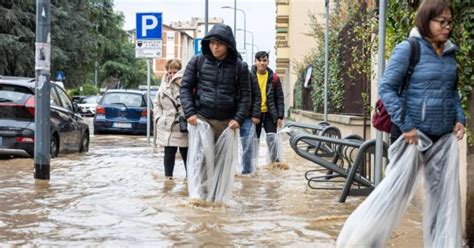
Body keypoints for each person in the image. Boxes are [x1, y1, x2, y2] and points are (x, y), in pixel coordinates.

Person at [180, 23, 251, 140]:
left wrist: (238, 119)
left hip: (227, 122)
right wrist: (190, 113)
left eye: (219, 44)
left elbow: (245, 95)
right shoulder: (198, 60)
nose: (215, 47)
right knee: (201, 157)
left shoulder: (240, 67)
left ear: (228, 45)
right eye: (212, 43)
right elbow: (185, 87)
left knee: (224, 158)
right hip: (201, 118)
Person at [154, 59, 188, 180]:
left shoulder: (185, 84)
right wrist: (158, 118)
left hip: (183, 126)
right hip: (168, 125)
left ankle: (190, 180)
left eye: (175, 72)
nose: (172, 75)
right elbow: (157, 104)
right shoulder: (163, 86)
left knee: (186, 154)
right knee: (168, 153)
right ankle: (168, 181)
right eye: (169, 72)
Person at [251, 51, 285, 162]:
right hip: (254, 115)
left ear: (268, 62)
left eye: (264, 60)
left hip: (270, 114)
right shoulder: (249, 76)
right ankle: (253, 165)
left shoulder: (274, 78)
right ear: (255, 62)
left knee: (272, 141)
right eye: (259, 60)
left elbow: (279, 97)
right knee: (253, 141)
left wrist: (280, 116)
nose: (262, 63)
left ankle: (274, 165)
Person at [240, 66, 261, 174]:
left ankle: (246, 171)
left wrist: (256, 114)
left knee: (247, 145)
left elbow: (257, 95)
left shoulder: (250, 76)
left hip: (246, 117)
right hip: (227, 116)